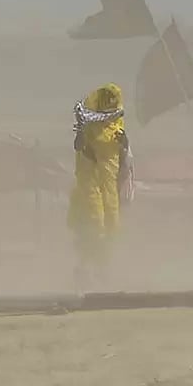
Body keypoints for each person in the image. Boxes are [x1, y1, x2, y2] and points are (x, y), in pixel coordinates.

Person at [67, 83, 129, 288]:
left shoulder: (117, 127)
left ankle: (102, 273)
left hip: (109, 192)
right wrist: (83, 138)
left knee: (108, 230)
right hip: (89, 191)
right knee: (92, 228)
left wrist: (124, 143)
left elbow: (122, 161)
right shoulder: (87, 127)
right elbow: (79, 147)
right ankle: (85, 272)